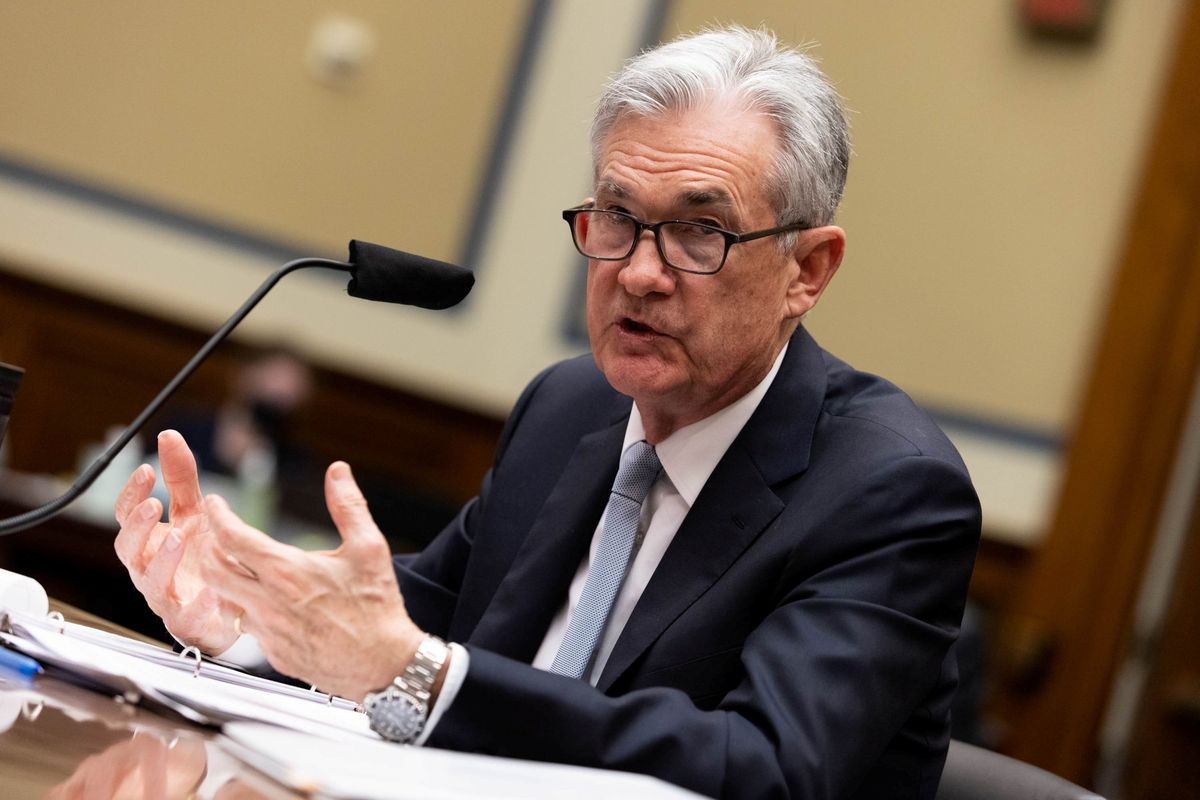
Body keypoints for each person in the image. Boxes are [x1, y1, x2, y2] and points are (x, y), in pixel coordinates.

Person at [112, 27, 980, 799]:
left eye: (698, 233)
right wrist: (243, 619)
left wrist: (416, 673)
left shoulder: (891, 492)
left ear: (808, 271)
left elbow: (764, 768)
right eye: (618, 216)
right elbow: (419, 619)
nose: (640, 271)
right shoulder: (570, 407)